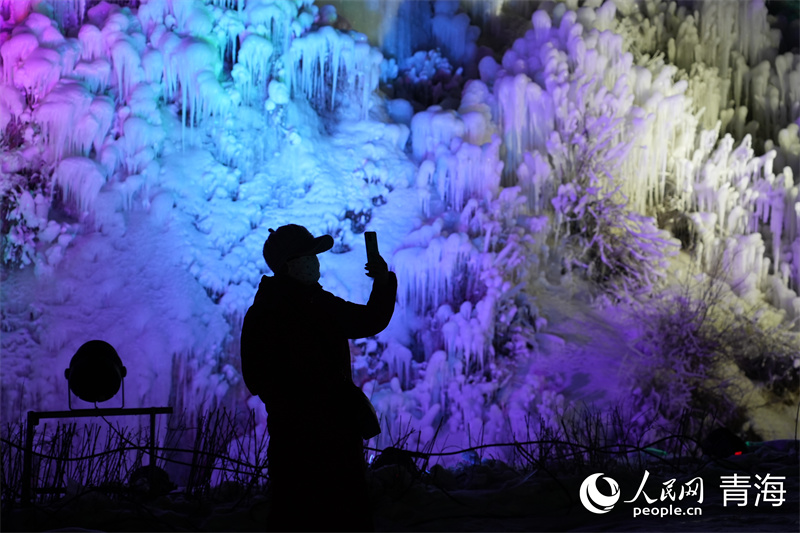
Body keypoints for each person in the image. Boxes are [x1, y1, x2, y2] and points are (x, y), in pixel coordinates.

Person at [240, 224, 397, 532]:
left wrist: (288, 401)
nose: (315, 261)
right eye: (309, 255)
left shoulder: (260, 312)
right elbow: (370, 319)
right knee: (344, 513)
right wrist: (382, 278)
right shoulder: (317, 305)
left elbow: (255, 379)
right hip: (333, 435)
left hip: (288, 437)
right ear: (290, 264)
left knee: (292, 512)